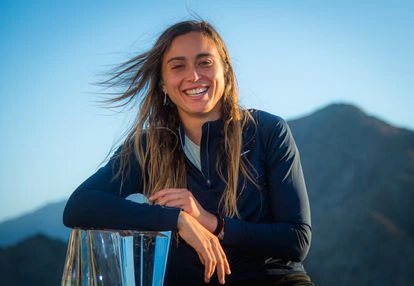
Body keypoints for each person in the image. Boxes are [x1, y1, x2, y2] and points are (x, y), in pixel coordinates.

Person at [63, 20, 313, 286]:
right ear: (162, 83)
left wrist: (209, 221)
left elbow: (296, 240)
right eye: (178, 66)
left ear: (225, 71)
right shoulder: (148, 148)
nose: (193, 76)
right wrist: (178, 220)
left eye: (204, 62)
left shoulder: (267, 130)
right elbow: (79, 206)